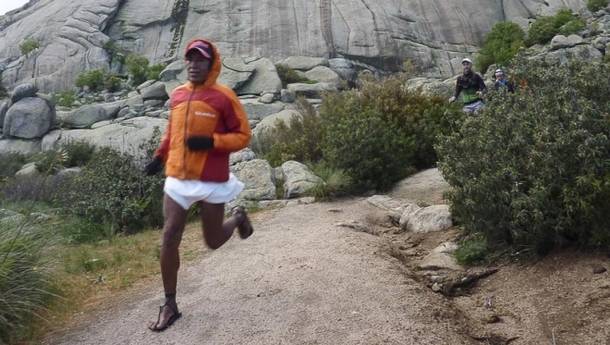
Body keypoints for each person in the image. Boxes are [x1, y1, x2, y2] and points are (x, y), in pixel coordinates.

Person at [144, 39, 254, 332]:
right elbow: (172, 133)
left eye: (200, 60)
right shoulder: (178, 95)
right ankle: (170, 304)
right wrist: (159, 156)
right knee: (169, 237)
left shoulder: (224, 97)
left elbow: (243, 135)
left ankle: (239, 218)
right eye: (190, 59)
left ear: (211, 63)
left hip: (210, 179)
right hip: (178, 178)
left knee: (214, 241)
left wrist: (213, 142)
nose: (193, 65)